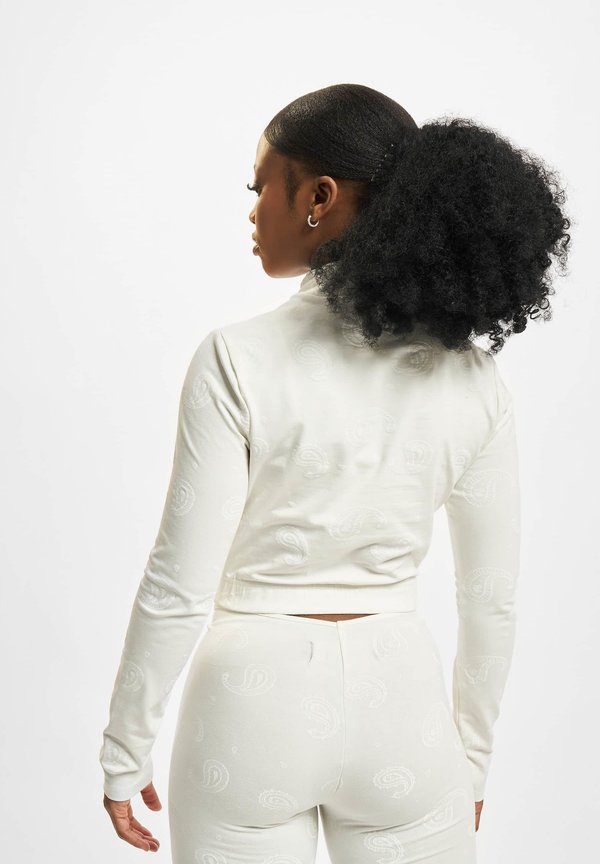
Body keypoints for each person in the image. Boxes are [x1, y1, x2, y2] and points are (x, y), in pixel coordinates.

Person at [100, 84, 571, 862]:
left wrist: (125, 748)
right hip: (403, 709)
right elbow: (491, 601)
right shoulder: (472, 380)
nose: (253, 212)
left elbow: (178, 583)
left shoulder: (237, 359)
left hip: (248, 710)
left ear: (319, 197)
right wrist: (472, 765)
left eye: (261, 186)